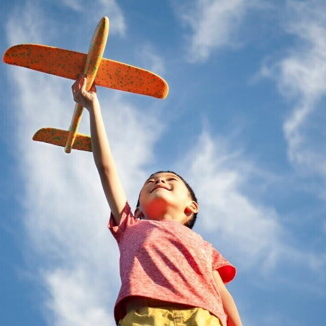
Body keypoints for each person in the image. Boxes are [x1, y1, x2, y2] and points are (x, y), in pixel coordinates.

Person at [72, 75, 243, 326]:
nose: (159, 181)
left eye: (170, 180)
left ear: (192, 206)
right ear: (138, 210)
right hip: (144, 317)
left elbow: (223, 294)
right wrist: (92, 105)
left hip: (203, 317)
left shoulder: (204, 247)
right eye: (150, 181)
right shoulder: (130, 225)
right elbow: (106, 168)